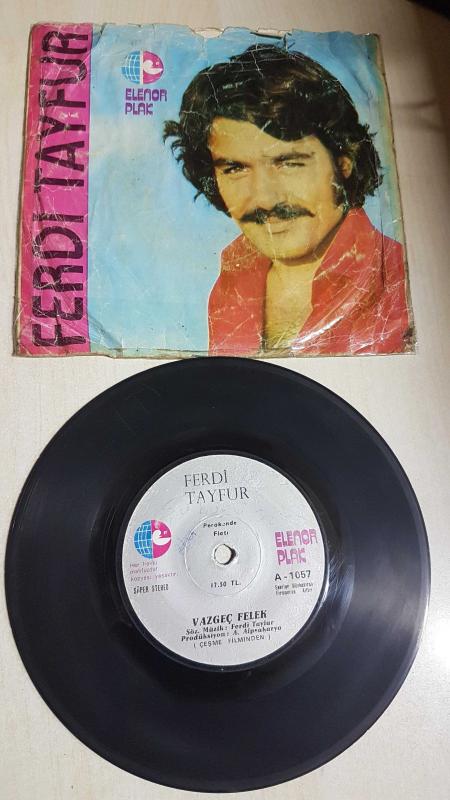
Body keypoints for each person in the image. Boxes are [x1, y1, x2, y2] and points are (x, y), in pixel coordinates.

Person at [164, 44, 412, 356]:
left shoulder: (399, 280)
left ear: (344, 162)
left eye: (289, 163)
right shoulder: (232, 280)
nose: (266, 199)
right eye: (235, 169)